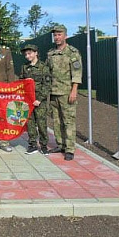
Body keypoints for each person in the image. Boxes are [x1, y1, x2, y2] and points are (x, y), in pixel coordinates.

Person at [47, 25, 82, 161]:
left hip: (67, 92)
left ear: (65, 36)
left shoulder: (72, 52)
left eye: (59, 34)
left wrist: (74, 90)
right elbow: (47, 72)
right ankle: (60, 144)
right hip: (54, 92)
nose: (57, 37)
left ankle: (69, 149)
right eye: (55, 35)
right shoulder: (51, 54)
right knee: (56, 121)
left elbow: (77, 73)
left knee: (68, 121)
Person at [19, 44, 51, 155]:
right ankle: (32, 144)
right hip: (28, 100)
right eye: (26, 54)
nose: (27, 56)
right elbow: (21, 82)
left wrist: (40, 99)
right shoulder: (24, 67)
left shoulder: (43, 67)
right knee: (30, 123)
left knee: (41, 123)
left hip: (39, 101)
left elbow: (46, 85)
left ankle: (43, 145)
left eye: (29, 53)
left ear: (36, 53)